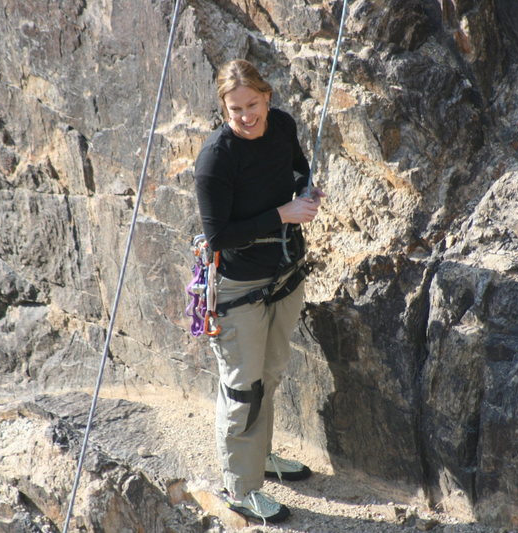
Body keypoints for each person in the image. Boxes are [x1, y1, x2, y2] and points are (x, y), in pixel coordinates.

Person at [193, 58, 325, 523]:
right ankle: (240, 487)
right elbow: (217, 237)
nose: (246, 116)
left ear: (267, 98)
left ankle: (259, 459)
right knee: (242, 387)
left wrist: (307, 194)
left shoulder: (283, 126)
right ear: (224, 110)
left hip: (284, 274)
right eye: (235, 110)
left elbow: (296, 169)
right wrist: (282, 216)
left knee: (269, 372)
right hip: (240, 284)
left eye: (252, 105)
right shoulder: (216, 159)